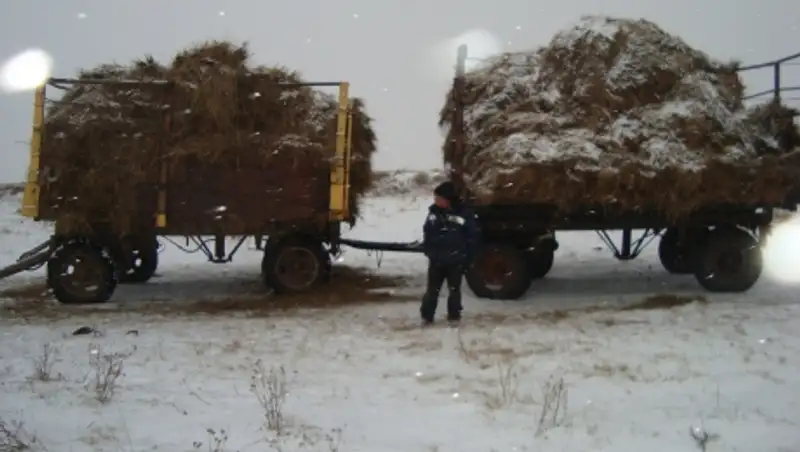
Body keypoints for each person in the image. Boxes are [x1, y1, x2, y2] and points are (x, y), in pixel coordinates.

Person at [420, 181, 479, 326]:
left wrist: (466, 257)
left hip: (455, 260)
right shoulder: (434, 213)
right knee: (432, 290)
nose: (436, 201)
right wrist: (430, 252)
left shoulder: (464, 214)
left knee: (454, 290)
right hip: (437, 261)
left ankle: (454, 316)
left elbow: (472, 236)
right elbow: (427, 233)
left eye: (439, 198)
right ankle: (427, 316)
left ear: (448, 199)